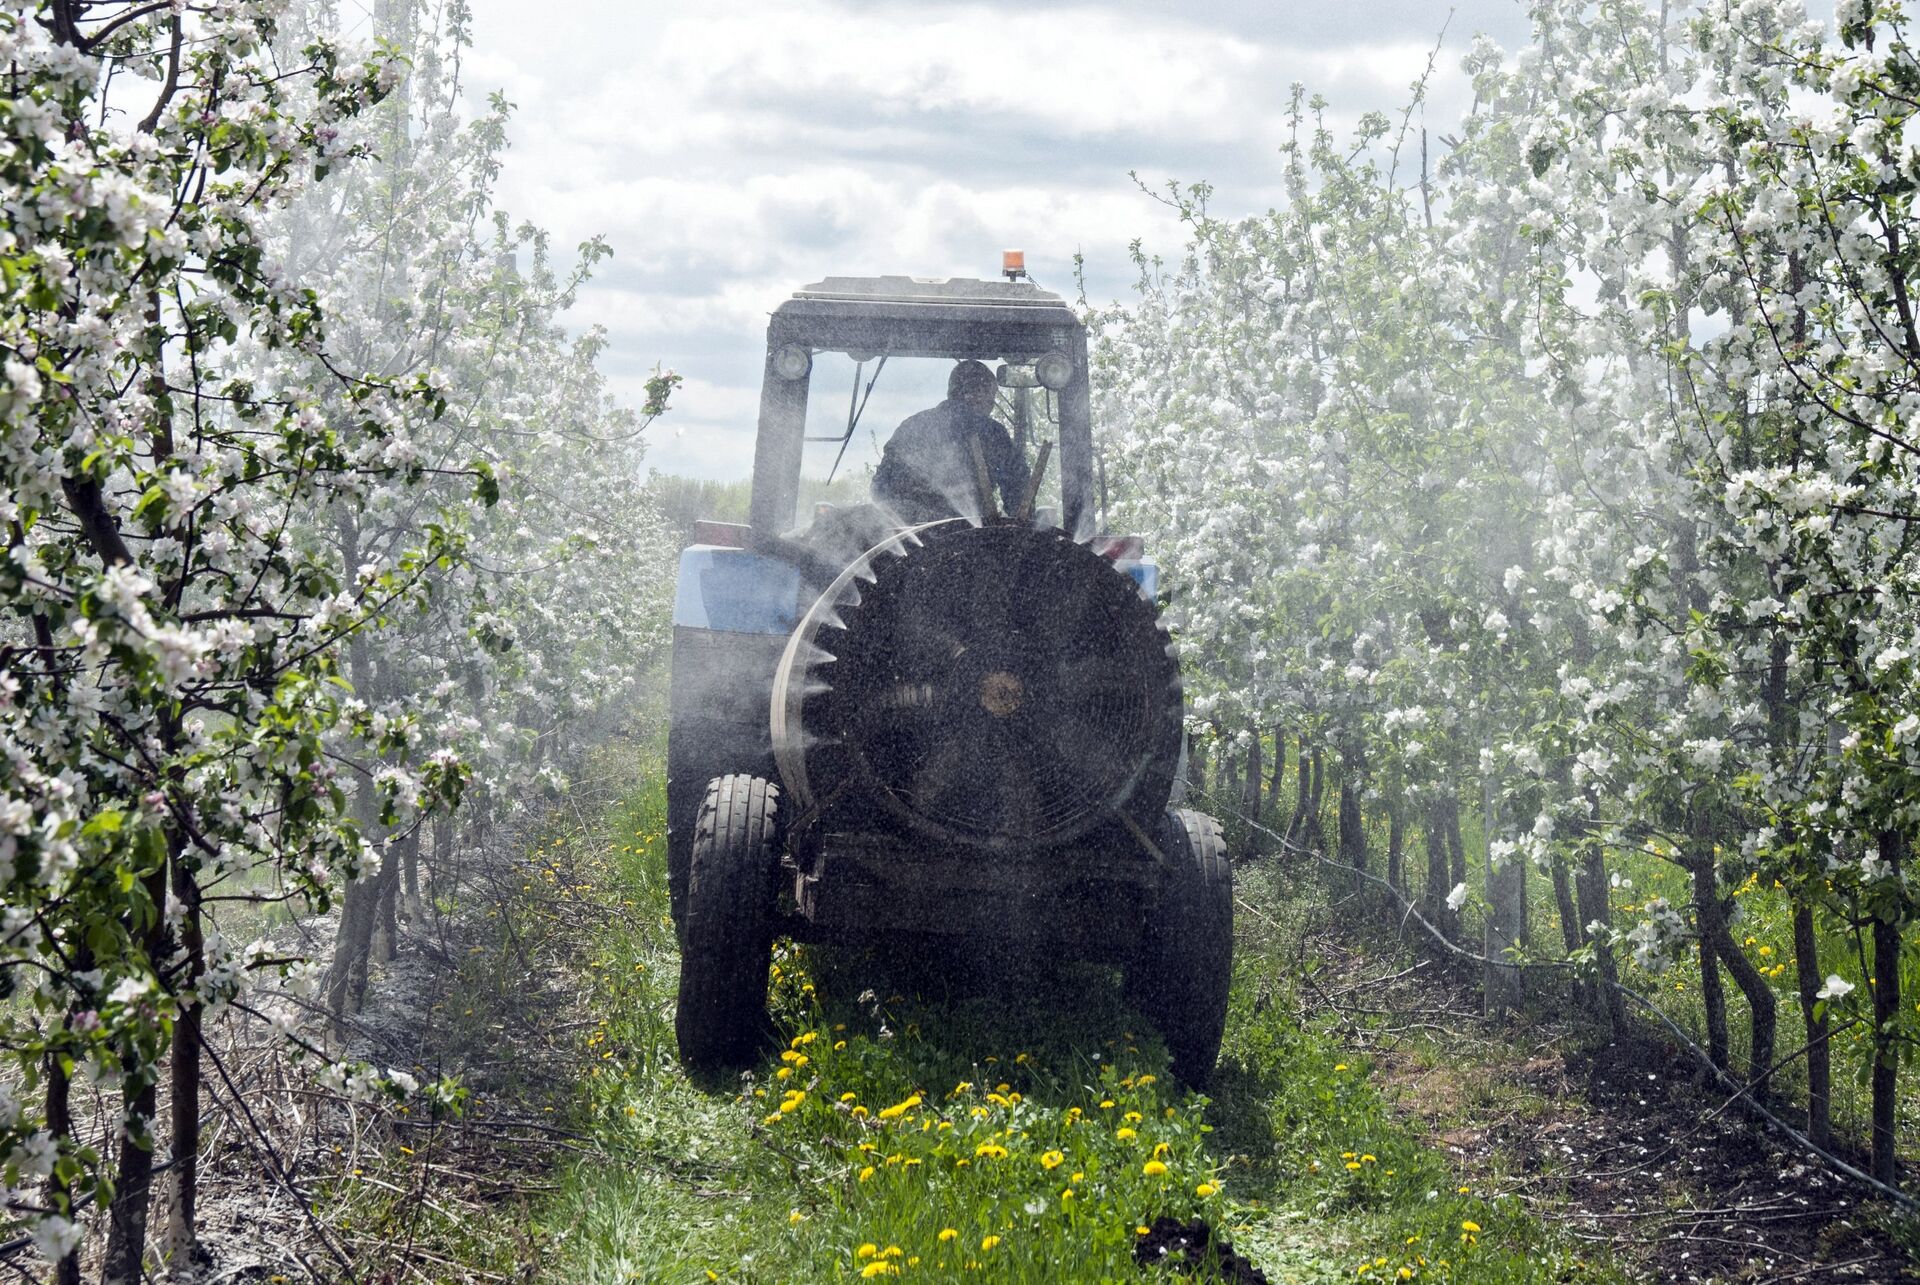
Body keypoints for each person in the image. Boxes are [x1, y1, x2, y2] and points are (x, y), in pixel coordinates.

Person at [872, 360, 1030, 523]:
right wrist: (1019, 529)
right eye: (991, 400)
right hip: (972, 541)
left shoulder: (910, 427)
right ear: (976, 393)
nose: (991, 408)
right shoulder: (992, 432)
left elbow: (880, 488)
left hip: (914, 540)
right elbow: (1018, 489)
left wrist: (910, 516)